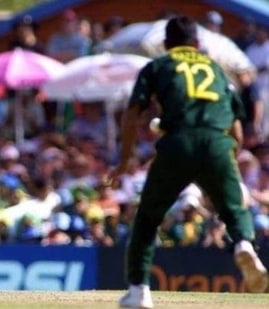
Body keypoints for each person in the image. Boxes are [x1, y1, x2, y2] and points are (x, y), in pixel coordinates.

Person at [107, 16, 268, 309]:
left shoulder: (158, 65)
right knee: (234, 210)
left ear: (167, 44)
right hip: (218, 143)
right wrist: (226, 164)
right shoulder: (217, 70)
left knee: (147, 218)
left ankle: (139, 291)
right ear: (197, 44)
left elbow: (132, 114)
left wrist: (125, 160)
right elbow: (237, 128)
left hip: (177, 142)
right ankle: (244, 244)